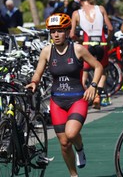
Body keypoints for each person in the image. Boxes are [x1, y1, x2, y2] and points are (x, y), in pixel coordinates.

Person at [26, 13, 103, 177]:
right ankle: (73, 174)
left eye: (60, 31)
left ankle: (80, 148)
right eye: (52, 31)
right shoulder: (47, 51)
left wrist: (93, 86)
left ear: (67, 32)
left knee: (71, 134)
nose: (55, 35)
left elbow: (98, 67)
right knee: (64, 143)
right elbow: (38, 73)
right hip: (57, 101)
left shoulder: (78, 49)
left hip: (77, 99)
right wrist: (34, 82)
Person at [70, 0, 113, 109]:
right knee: (103, 70)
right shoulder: (100, 9)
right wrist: (108, 41)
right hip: (102, 43)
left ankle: (82, 98)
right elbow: (110, 28)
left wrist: (80, 41)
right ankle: (98, 95)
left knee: (84, 71)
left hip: (87, 44)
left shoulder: (76, 14)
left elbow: (72, 34)